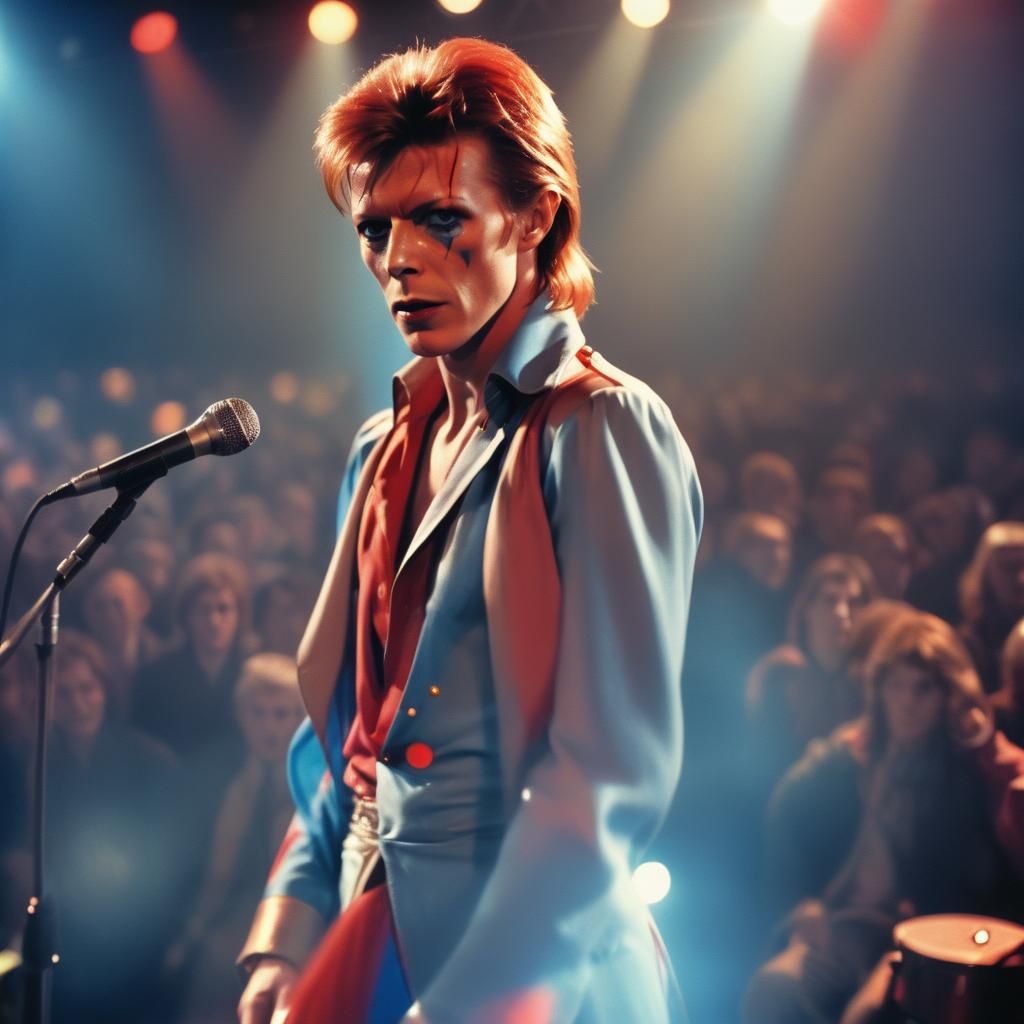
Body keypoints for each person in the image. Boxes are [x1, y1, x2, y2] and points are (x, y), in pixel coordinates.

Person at [236, 37, 702, 1024]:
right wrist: (291, 928)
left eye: (440, 219)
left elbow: (607, 778)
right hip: (374, 939)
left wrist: (476, 999)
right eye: (375, 230)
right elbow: (356, 742)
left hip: (538, 970)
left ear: (535, 215)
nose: (399, 257)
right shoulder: (383, 445)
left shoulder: (602, 427)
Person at [745, 611, 1024, 1024]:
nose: (907, 703)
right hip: (842, 923)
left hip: (913, 938)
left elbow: (970, 877)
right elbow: (787, 813)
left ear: (947, 694)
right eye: (895, 686)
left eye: (923, 689)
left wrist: (976, 741)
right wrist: (801, 903)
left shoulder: (962, 771)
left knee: (868, 1015)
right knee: (773, 989)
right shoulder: (852, 757)